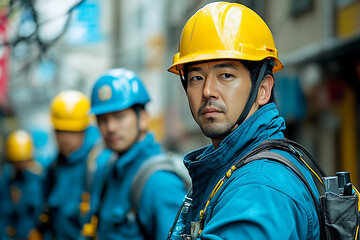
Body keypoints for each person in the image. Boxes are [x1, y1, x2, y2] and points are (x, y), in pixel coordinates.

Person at [167, 2, 320, 239]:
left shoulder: (260, 188)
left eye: (226, 75)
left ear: (263, 89)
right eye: (197, 77)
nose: (208, 90)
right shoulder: (233, 169)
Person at [87, 68, 188, 240]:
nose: (110, 127)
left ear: (143, 118)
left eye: (119, 117)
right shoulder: (108, 170)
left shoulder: (159, 182)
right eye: (103, 119)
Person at [38, 90, 103, 239]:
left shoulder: (98, 166)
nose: (65, 138)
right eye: (60, 131)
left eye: (72, 131)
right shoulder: (53, 168)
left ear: (84, 129)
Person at [0, 130, 44, 239]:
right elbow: (4, 214)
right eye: (17, 161)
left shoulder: (40, 178)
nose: (20, 165)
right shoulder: (6, 181)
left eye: (23, 160)